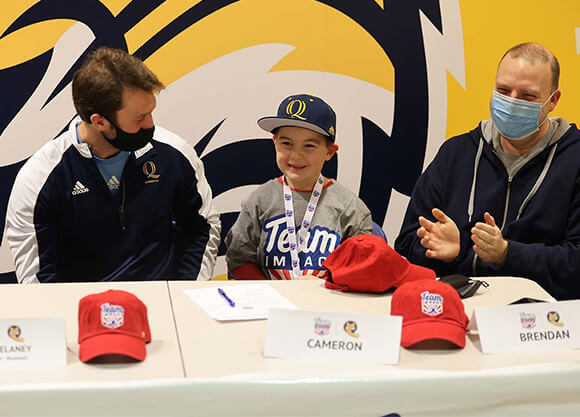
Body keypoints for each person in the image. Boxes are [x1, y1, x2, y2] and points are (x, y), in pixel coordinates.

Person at [5, 47, 221, 283]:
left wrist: (183, 293)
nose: (151, 124)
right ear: (100, 122)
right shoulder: (39, 179)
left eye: (151, 112)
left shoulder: (173, 154)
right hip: (81, 313)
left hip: (164, 308)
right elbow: (38, 280)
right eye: (139, 119)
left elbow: (202, 228)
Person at [395, 42, 580, 300]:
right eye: (503, 91)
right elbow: (406, 241)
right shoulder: (456, 152)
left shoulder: (574, 158)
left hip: (544, 322)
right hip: (457, 310)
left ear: (553, 101)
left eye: (527, 96)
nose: (512, 103)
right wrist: (449, 252)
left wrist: (507, 253)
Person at [225, 94, 373, 280]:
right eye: (286, 143)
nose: (296, 155)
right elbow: (239, 260)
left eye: (309, 145)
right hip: (269, 304)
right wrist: (274, 296)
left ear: (329, 151)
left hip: (328, 305)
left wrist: (321, 290)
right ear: (274, 143)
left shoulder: (350, 208)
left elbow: (364, 268)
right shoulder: (259, 201)